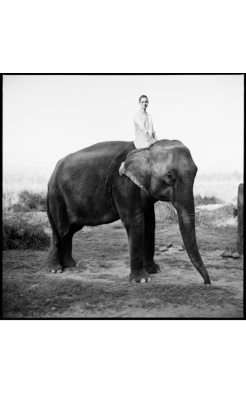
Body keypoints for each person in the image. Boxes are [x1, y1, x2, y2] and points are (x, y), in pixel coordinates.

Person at [119, 95, 158, 175]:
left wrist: (157, 142)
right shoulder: (137, 115)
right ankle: (125, 165)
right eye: (142, 102)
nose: (144, 104)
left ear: (148, 103)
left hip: (150, 139)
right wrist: (150, 140)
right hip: (142, 140)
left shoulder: (149, 115)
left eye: (146, 102)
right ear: (139, 103)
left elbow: (153, 130)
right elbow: (143, 129)